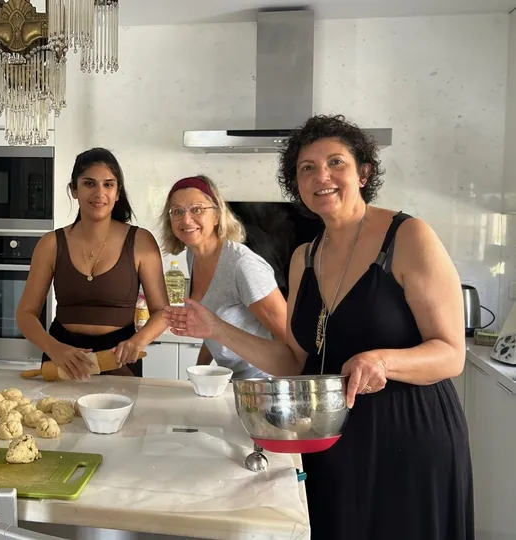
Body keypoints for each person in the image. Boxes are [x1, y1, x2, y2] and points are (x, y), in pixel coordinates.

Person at [163, 115, 473, 540]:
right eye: (306, 167)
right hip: (328, 437)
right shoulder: (304, 258)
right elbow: (294, 361)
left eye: (335, 162)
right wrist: (215, 328)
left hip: (406, 435)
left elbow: (451, 354)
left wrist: (383, 361)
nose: (321, 176)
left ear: (363, 172)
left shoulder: (408, 237)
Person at [16, 148, 169, 380]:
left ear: (117, 193)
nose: (100, 193)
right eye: (89, 183)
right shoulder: (51, 244)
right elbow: (26, 313)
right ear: (74, 190)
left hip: (118, 358)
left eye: (108, 185)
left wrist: (137, 342)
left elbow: (162, 312)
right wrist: (54, 348)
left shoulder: (140, 241)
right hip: (63, 359)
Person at [159, 175, 287, 378]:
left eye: (197, 209)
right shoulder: (193, 256)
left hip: (264, 382)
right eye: (177, 211)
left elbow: (290, 338)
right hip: (230, 380)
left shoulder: (242, 265)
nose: (186, 219)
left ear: (217, 216)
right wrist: (198, 372)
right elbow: (211, 327)